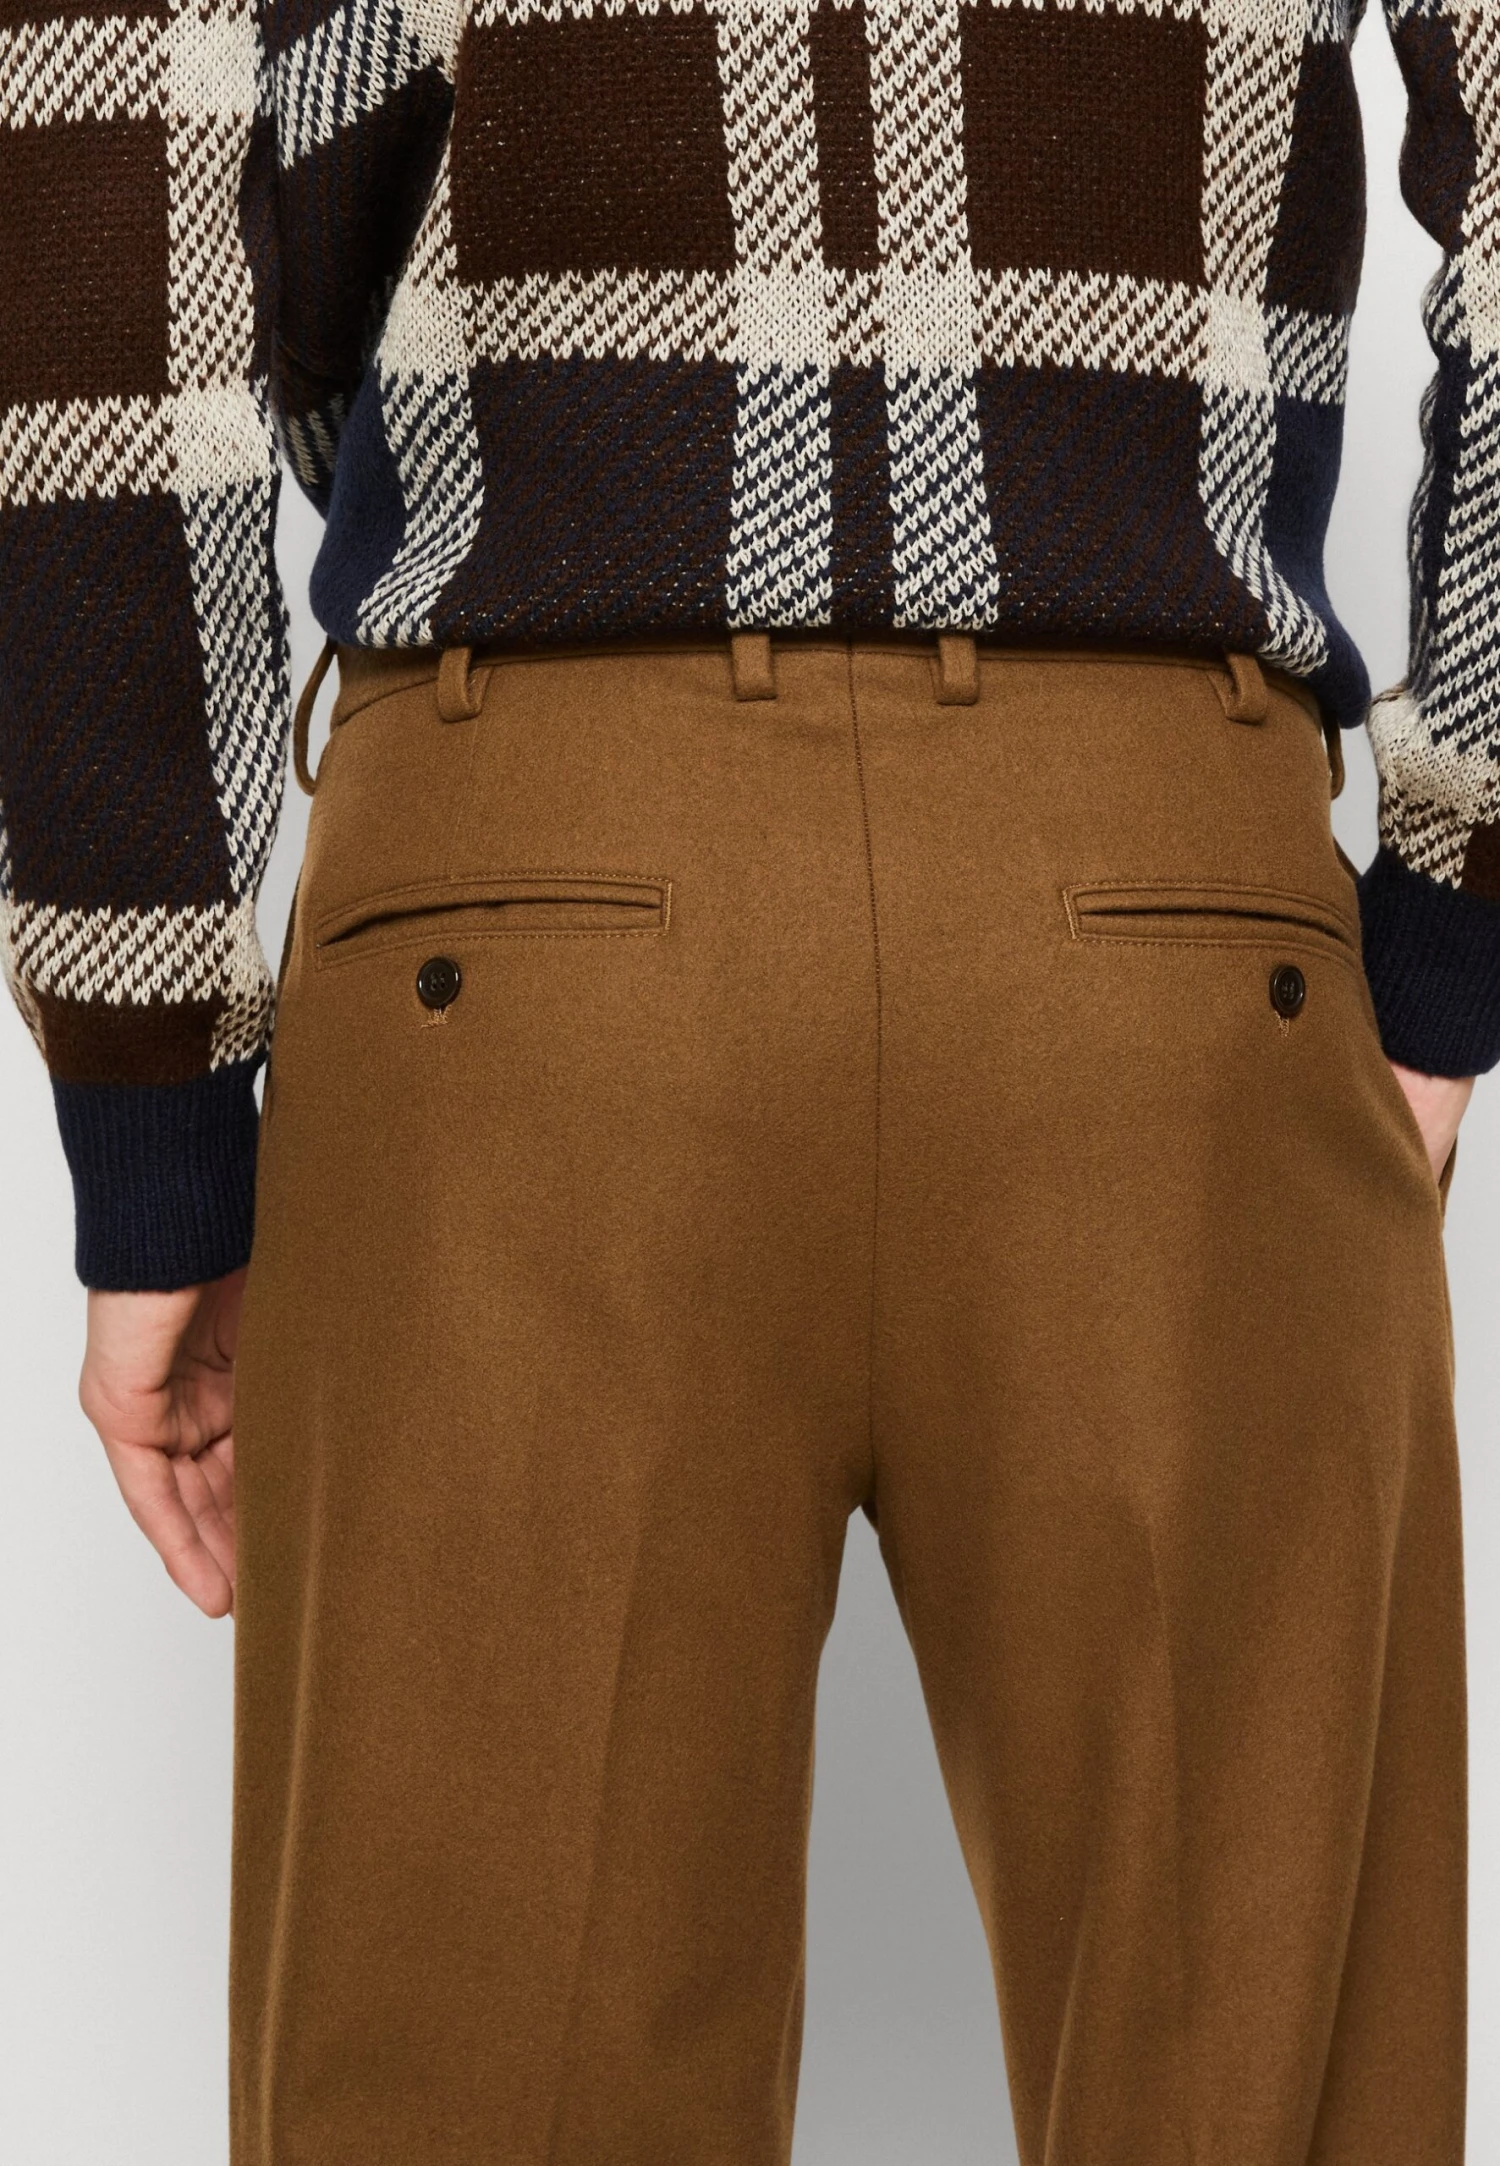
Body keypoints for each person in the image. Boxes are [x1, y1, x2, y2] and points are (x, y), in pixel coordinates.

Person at [1, 0, 1492, 2158]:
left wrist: (149, 1085)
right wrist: (1453, 923)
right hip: (1172, 932)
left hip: (518, 931)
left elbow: (100, 223)